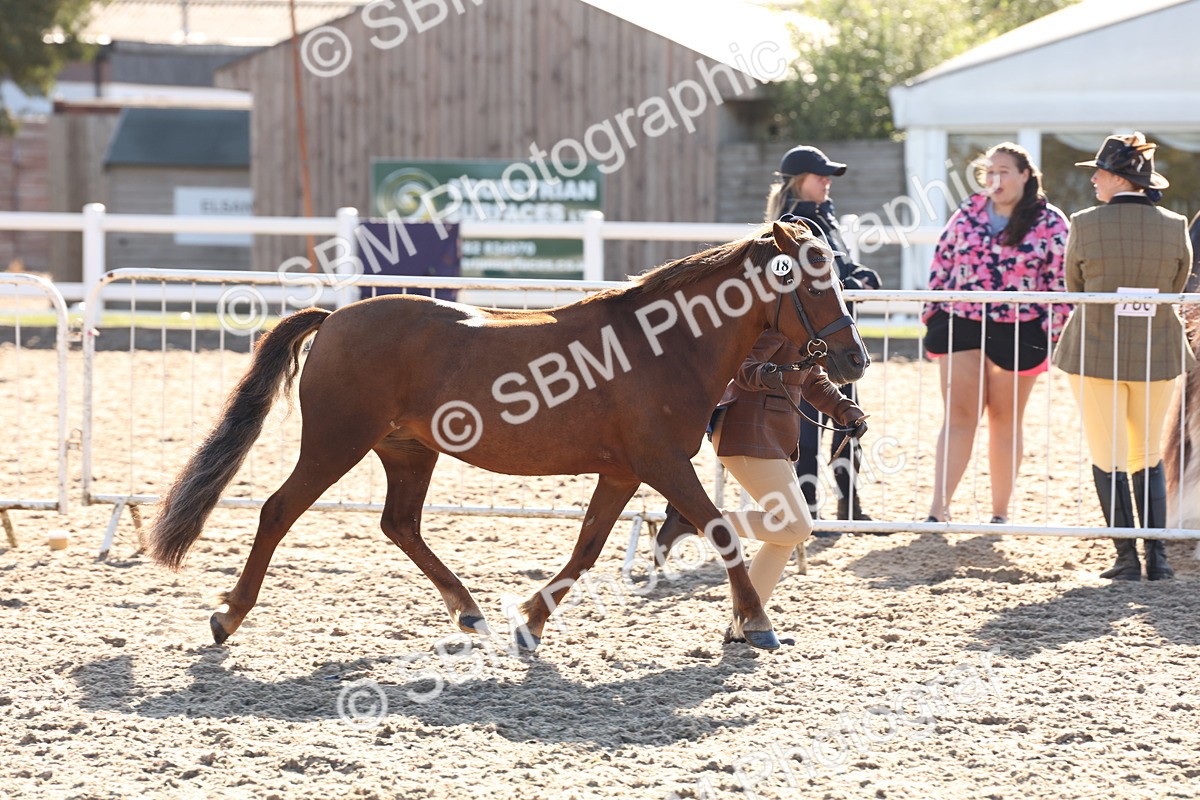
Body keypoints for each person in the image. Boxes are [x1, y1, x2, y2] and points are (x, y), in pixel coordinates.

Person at [653, 329, 868, 645]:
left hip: (769, 437)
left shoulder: (804, 329)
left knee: (786, 535)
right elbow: (743, 367)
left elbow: (812, 381)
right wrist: (769, 373)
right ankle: (693, 520)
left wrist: (845, 410)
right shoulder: (773, 325)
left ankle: (747, 623)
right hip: (747, 432)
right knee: (796, 526)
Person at [1053, 133, 1195, 581]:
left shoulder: (1085, 222)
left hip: (1095, 349)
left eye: (1098, 172)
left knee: (1108, 453)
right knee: (1147, 454)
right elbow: (1177, 285)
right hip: (1156, 350)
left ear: (1116, 177)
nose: (1094, 178)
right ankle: (1159, 557)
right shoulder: (1174, 224)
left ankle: (1125, 557)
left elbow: (1074, 287)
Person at [922, 142, 1070, 524]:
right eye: (989, 171)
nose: (995, 179)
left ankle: (1000, 513)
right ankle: (938, 511)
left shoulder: (1050, 221)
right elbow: (942, 261)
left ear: (1025, 175)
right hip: (961, 322)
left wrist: (1055, 334)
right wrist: (932, 313)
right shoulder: (968, 212)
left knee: (1005, 420)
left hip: (1020, 330)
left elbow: (1060, 281)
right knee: (958, 415)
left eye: (1004, 171)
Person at [766, 145, 882, 524]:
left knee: (845, 417)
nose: (827, 182)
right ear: (800, 181)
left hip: (833, 340)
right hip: (812, 344)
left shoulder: (822, 218)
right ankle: (811, 508)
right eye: (820, 176)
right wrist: (853, 281)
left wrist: (860, 276)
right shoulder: (798, 224)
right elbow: (807, 280)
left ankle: (848, 504)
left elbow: (837, 270)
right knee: (813, 427)